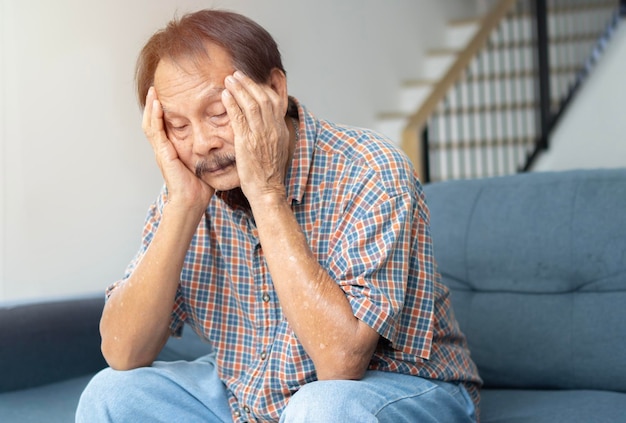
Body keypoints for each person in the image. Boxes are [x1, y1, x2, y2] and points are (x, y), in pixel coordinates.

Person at [76, 8, 482, 423]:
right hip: (251, 395)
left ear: (274, 88)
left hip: (395, 387)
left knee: (322, 407)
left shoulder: (371, 168)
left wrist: (267, 193)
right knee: (112, 393)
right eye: (177, 126)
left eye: (218, 114)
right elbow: (122, 351)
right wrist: (182, 207)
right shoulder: (190, 187)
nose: (200, 143)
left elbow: (341, 362)